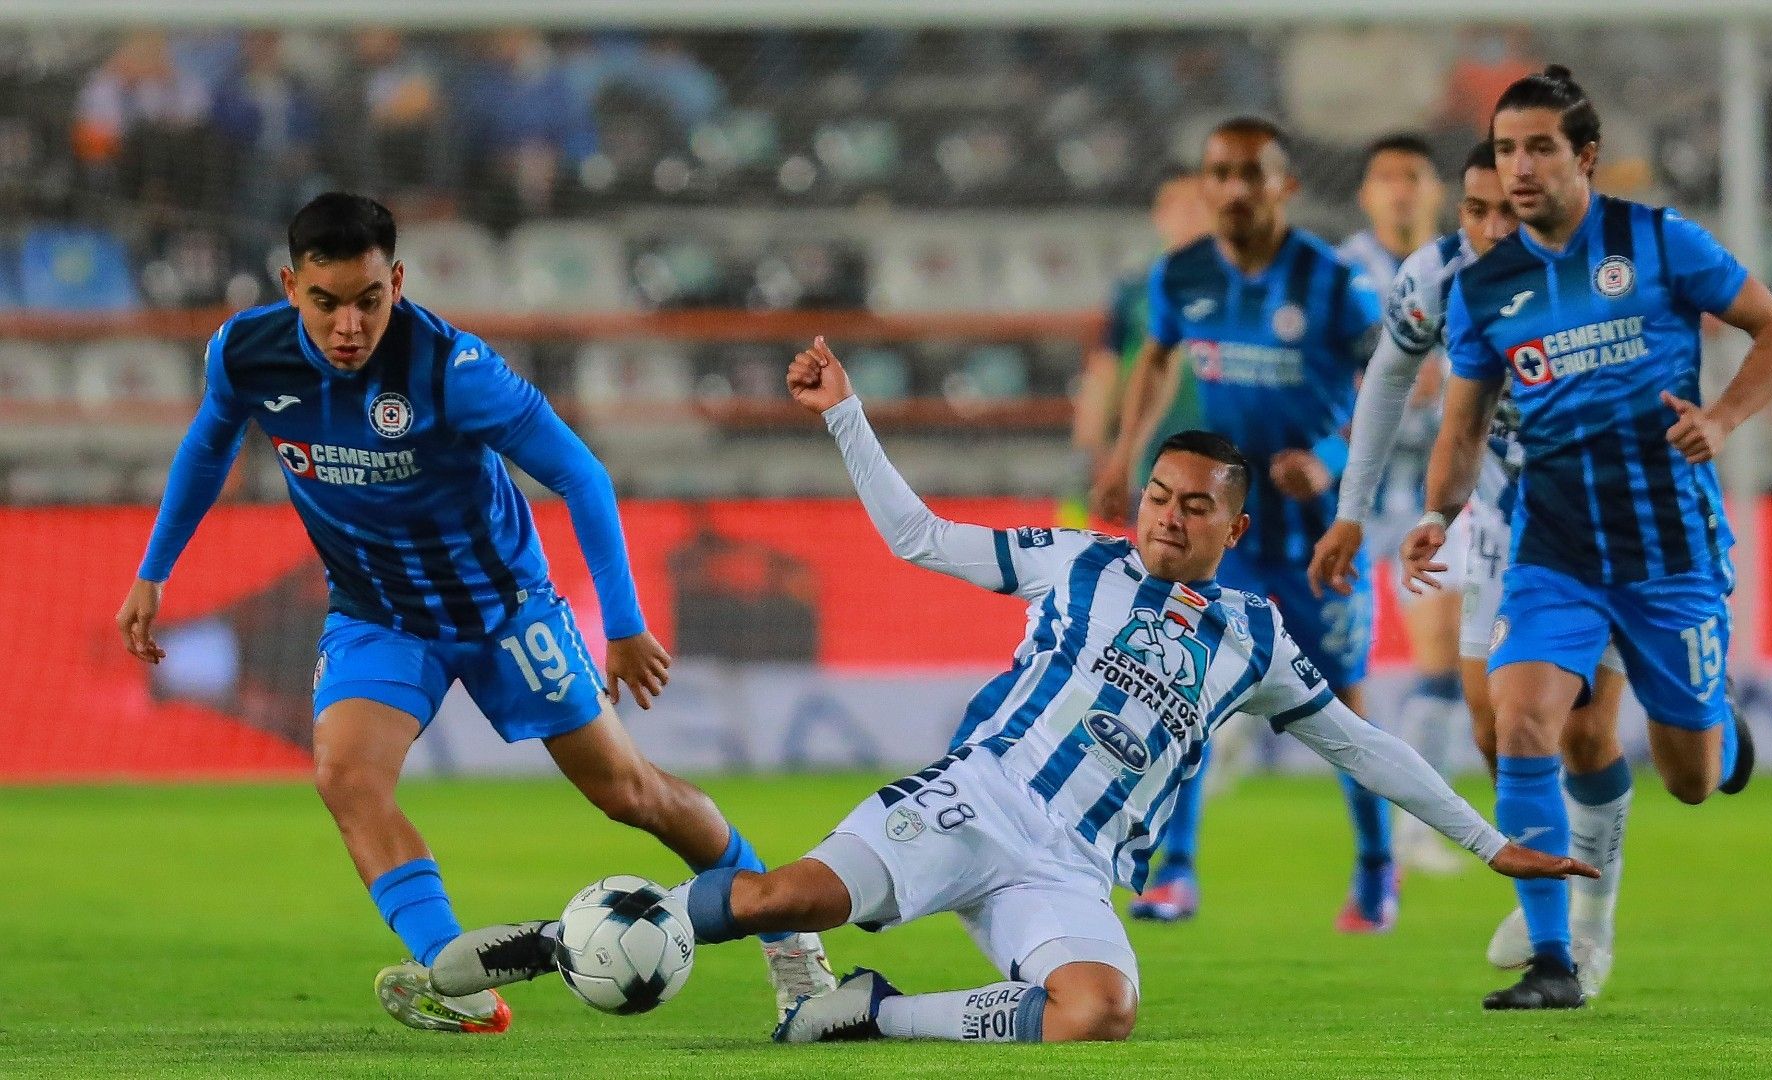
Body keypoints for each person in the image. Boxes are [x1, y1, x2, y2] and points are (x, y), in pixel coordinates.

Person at [430, 337, 1596, 1045]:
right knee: (787, 900)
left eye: (1196, 506)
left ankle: (871, 1013)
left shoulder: (1254, 635)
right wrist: (844, 410)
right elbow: (916, 537)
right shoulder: (1073, 559)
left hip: (1071, 870)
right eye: (1157, 496)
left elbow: (1364, 746)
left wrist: (1489, 843)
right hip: (973, 802)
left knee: (1100, 1013)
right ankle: (553, 939)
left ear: (1236, 527)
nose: (1168, 516)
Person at [114, 193, 832, 1034]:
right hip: (377, 615)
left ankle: (788, 940)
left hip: (504, 614)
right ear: (290, 284)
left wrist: (626, 623)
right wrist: (153, 571)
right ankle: (459, 981)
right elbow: (208, 445)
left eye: (370, 300)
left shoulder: (452, 369)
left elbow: (582, 476)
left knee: (630, 792)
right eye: (326, 301)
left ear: (399, 282)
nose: (349, 324)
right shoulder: (246, 352)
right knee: (346, 778)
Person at [1405, 67, 1772, 1009]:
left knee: (1693, 779)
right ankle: (1557, 961)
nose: (1520, 167)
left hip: (1671, 550)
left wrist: (1726, 419)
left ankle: (1718, 728)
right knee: (1523, 724)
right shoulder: (1485, 288)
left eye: (1540, 147)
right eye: (1506, 150)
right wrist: (1436, 514)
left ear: (1584, 156)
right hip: (1557, 551)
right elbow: (1462, 430)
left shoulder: (1659, 242)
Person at [1311, 140, 1634, 998]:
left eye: (1508, 209)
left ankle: (1587, 922)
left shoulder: (1602, 270)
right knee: (1496, 728)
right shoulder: (1438, 276)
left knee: (1590, 736)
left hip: (1600, 528)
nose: (1492, 228)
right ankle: (1551, 923)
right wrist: (1353, 509)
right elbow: (1385, 382)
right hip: (1492, 523)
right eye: (1474, 210)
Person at [1089, 117, 1394, 930]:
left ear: (1283, 186)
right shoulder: (1182, 274)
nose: (1230, 188)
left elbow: (1392, 379)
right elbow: (1154, 356)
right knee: (1179, 691)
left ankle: (1375, 870)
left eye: (1249, 174)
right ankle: (1173, 873)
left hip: (1315, 531)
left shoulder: (1331, 282)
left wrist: (1330, 453)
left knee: (1341, 711)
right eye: (1217, 172)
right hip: (1223, 531)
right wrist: (1126, 456)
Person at [1333, 132, 1470, 876]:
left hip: (1432, 494)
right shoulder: (1337, 273)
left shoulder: (1466, 265)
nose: (1399, 190)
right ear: (1365, 194)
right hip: (1349, 493)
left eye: (1412, 176)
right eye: (1385, 177)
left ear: (1434, 189)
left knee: (1440, 648)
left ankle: (1419, 824)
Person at [1064, 169, 1210, 528]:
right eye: (1178, 206)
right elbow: (1106, 368)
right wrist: (1091, 446)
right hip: (1150, 451)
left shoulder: (1246, 289)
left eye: (1200, 205)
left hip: (1222, 445)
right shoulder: (1135, 292)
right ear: (1160, 215)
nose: (1189, 215)